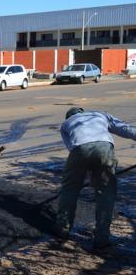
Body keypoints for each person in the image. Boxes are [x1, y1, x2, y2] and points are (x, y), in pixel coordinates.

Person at [54, 107, 136, 250]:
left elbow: (73, 149)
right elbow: (125, 129)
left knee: (69, 190)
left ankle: (63, 230)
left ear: (68, 117)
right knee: (106, 194)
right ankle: (101, 239)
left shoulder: (65, 125)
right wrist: (95, 175)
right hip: (105, 149)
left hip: (79, 151)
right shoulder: (99, 115)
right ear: (82, 112)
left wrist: (87, 174)